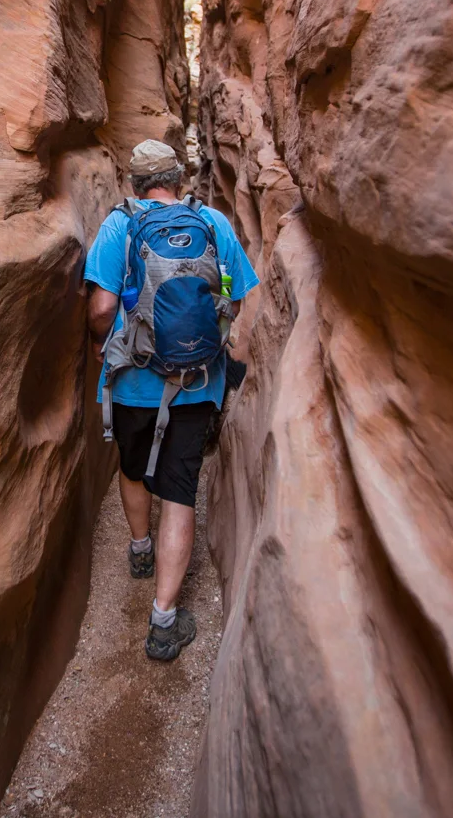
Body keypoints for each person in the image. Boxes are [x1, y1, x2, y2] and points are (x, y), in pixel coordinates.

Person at [84, 139, 259, 661]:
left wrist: (100, 339)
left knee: (133, 467)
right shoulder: (214, 223)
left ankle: (140, 549)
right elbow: (240, 295)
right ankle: (163, 621)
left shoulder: (120, 224)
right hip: (195, 380)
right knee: (180, 490)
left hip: (135, 380)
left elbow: (102, 304)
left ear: (134, 184)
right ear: (179, 179)